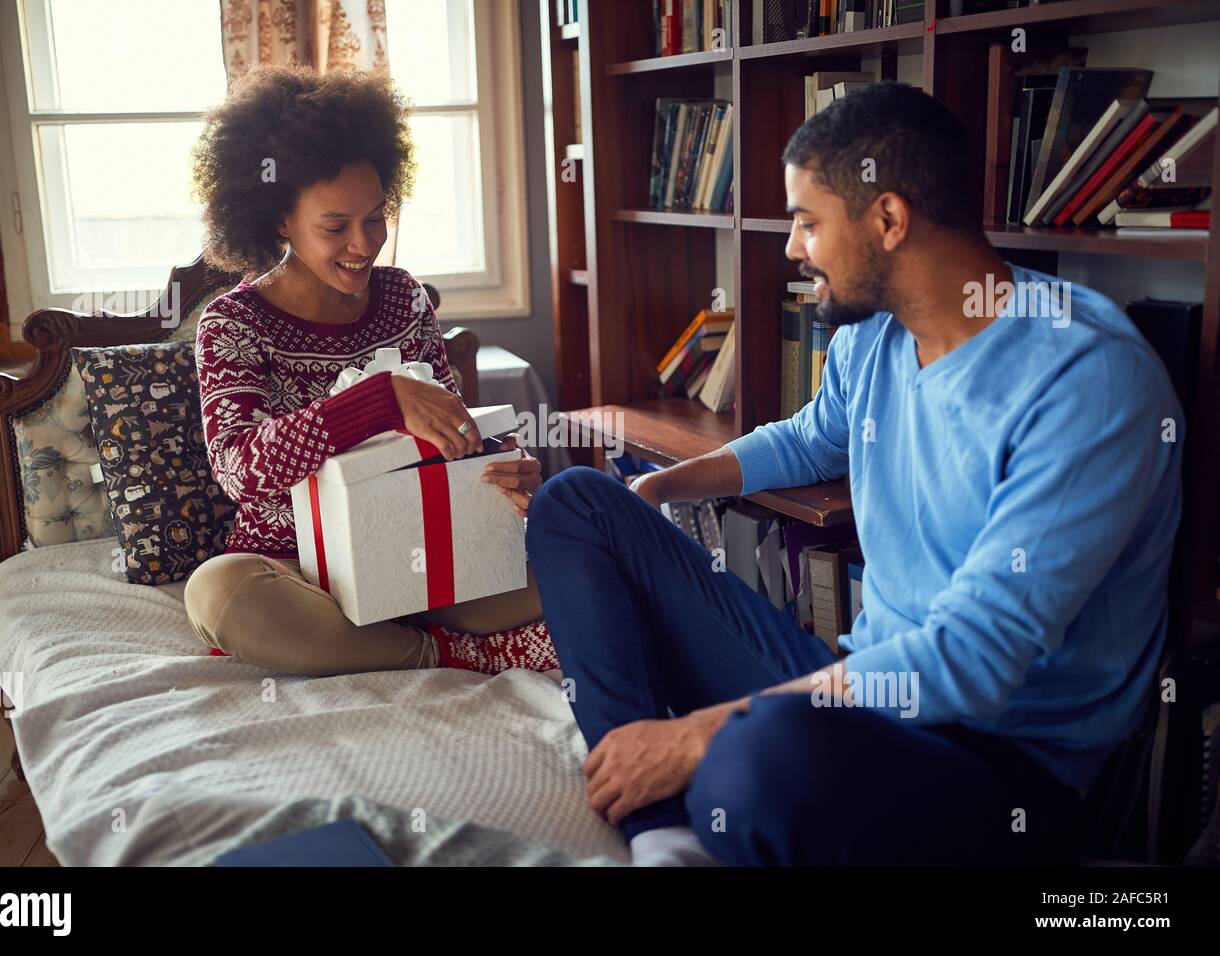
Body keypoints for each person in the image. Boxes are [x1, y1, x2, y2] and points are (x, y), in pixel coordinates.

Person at [526, 82, 1183, 866]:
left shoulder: (1085, 378)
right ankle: (661, 828)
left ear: (889, 220)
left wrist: (703, 731)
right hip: (859, 691)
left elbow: (970, 661)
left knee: (753, 759)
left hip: (1000, 766)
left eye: (807, 222)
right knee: (575, 506)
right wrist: (661, 487)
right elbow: (810, 440)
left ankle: (695, 778)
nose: (793, 249)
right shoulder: (875, 337)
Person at [182, 65, 555, 677]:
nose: (365, 243)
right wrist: (381, 400)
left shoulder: (402, 298)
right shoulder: (232, 323)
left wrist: (500, 464)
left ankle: (402, 639)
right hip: (300, 572)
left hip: (418, 555)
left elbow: (454, 433)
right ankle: (453, 653)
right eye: (336, 226)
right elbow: (241, 469)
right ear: (280, 219)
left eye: (377, 218)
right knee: (217, 593)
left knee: (580, 560)